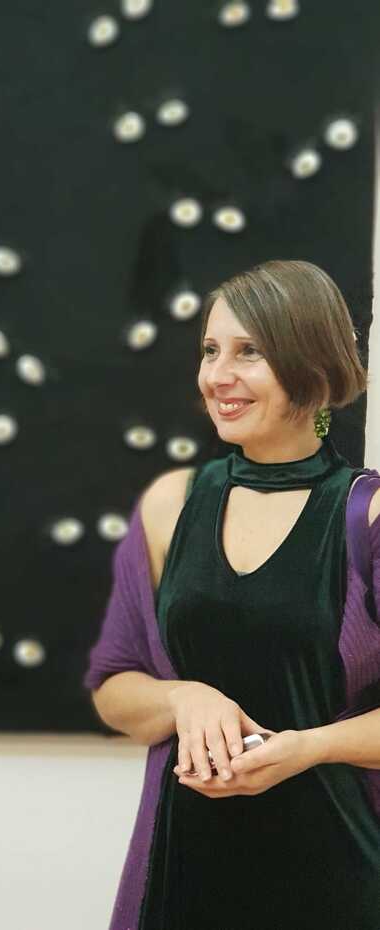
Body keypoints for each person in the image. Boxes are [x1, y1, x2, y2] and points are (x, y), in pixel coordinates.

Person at [86, 259, 380, 930]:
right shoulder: (171, 504)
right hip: (183, 873)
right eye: (210, 350)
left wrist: (308, 747)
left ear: (312, 364)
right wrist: (183, 696)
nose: (218, 375)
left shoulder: (368, 517)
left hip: (339, 880)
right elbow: (113, 687)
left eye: (250, 352)